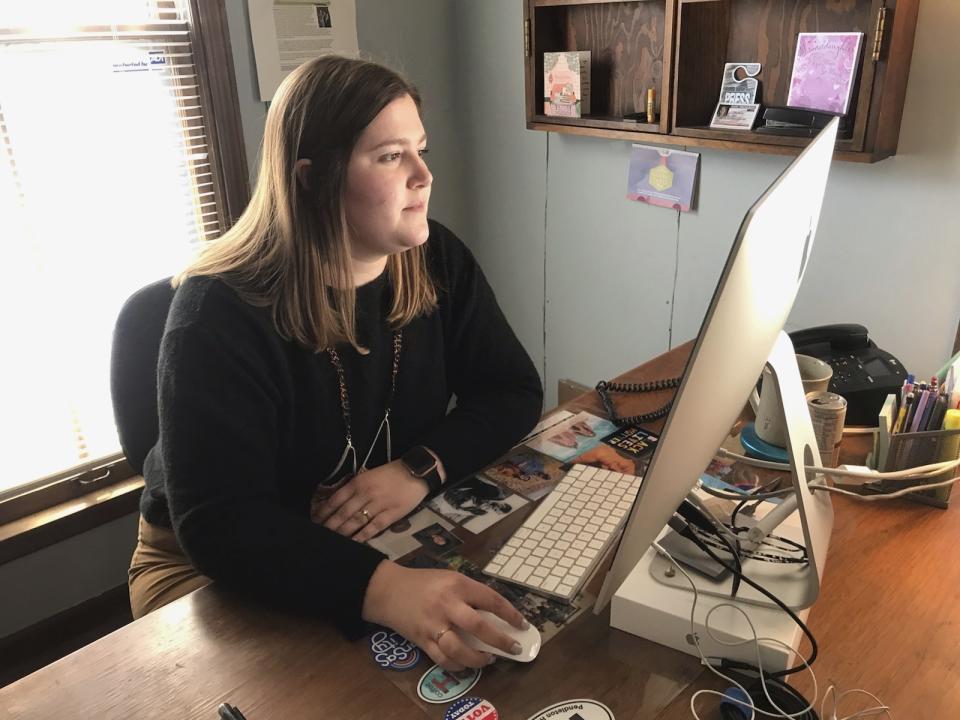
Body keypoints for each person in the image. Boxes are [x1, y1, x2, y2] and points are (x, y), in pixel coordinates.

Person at [127, 55, 544, 671]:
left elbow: (511, 389)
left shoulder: (435, 259)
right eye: (389, 156)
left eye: (420, 149)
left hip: (370, 528)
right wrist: (385, 589)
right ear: (311, 179)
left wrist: (417, 470)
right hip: (205, 567)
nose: (424, 175)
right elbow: (221, 524)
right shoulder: (215, 316)